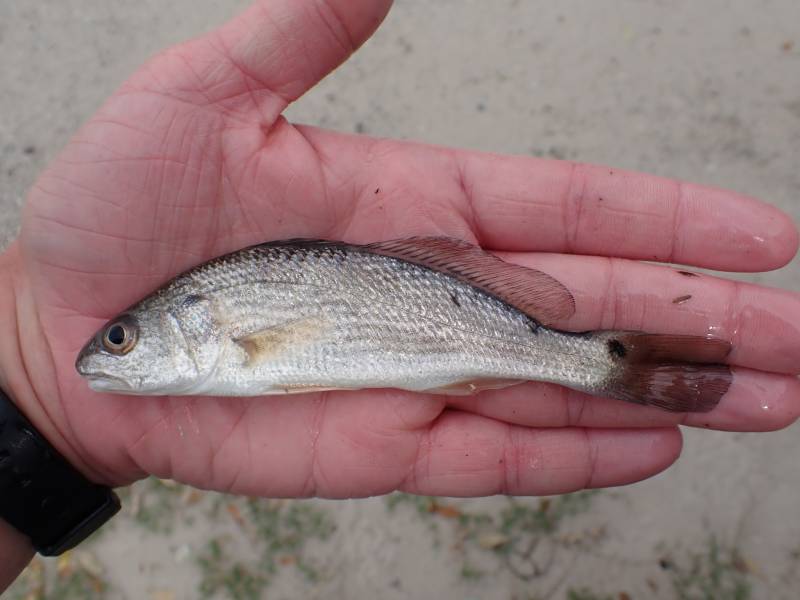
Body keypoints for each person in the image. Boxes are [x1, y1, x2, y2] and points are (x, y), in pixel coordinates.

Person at [1, 0, 799, 591]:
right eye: (120, 339)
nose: (108, 354)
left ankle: (602, 364)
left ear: (194, 324)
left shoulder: (226, 328)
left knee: (576, 361)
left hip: (451, 316)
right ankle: (599, 365)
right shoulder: (211, 328)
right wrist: (33, 390)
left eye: (123, 340)